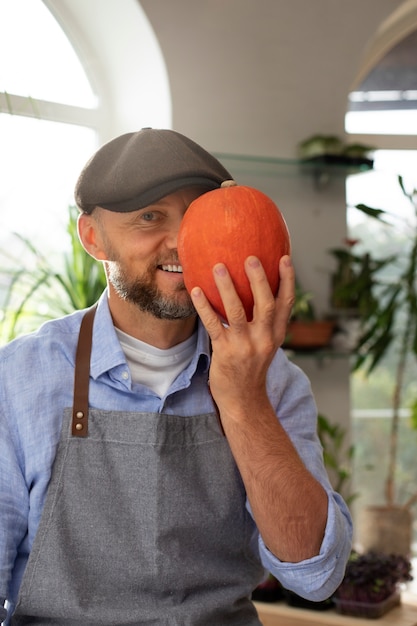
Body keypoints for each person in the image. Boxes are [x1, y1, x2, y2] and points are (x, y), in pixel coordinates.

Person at [0, 128, 352, 625]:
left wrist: (245, 400)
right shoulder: (17, 381)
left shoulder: (273, 380)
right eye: (150, 216)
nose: (182, 242)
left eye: (197, 216)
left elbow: (314, 576)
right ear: (93, 238)